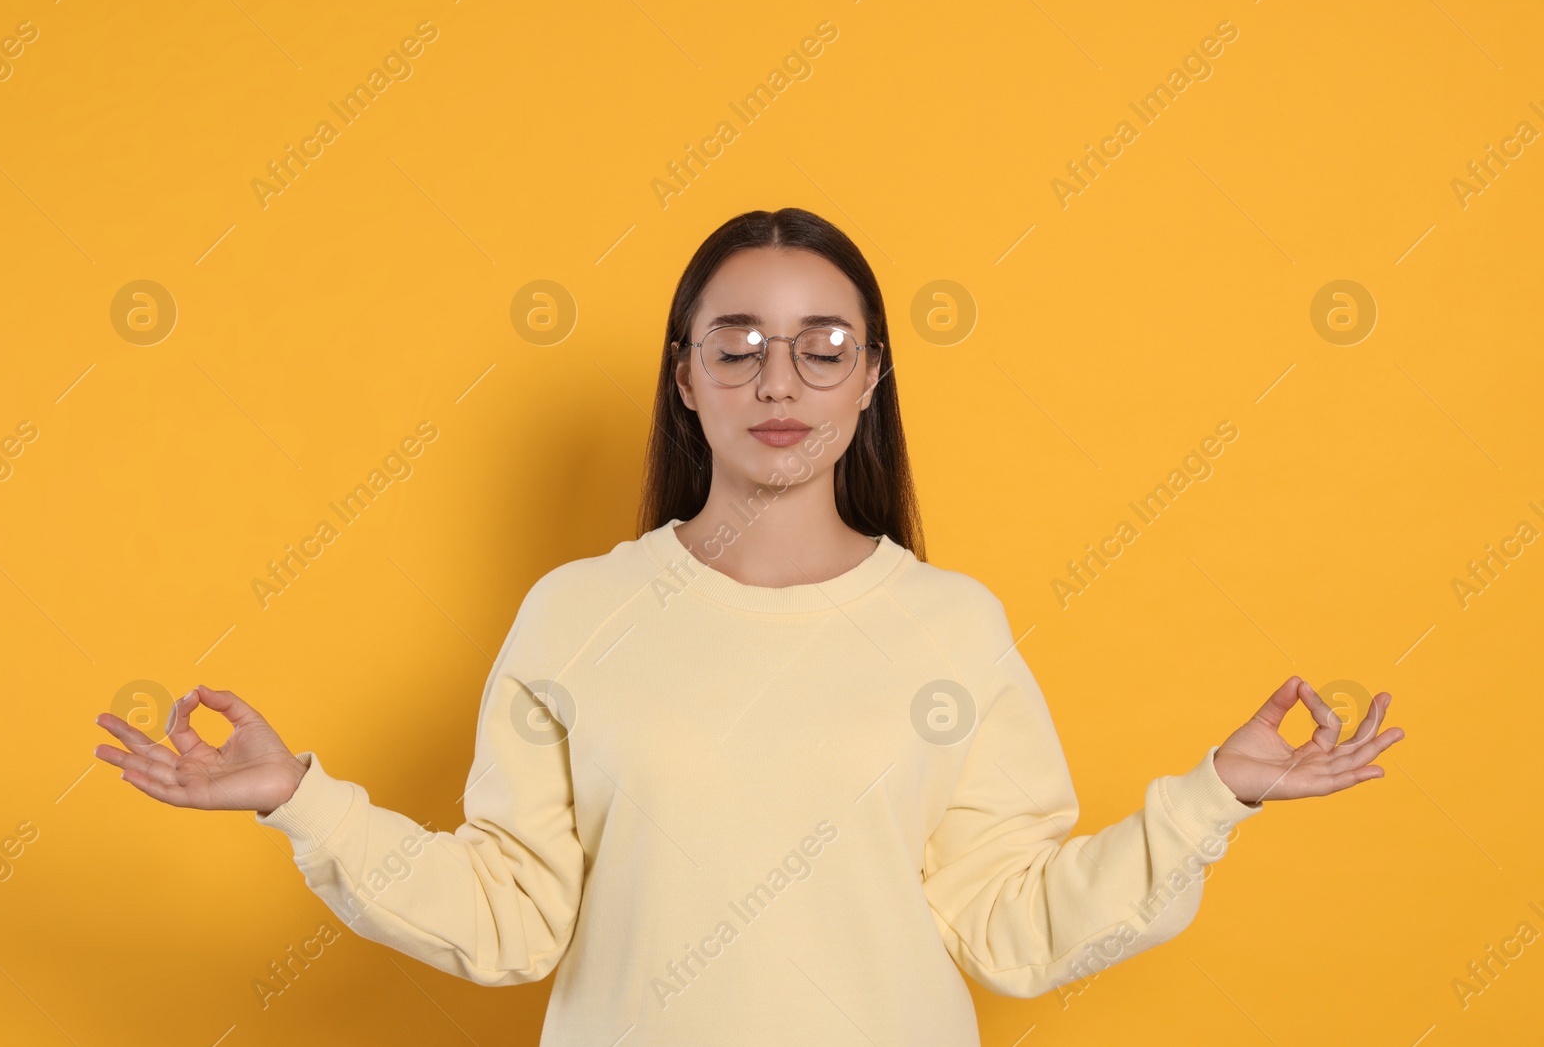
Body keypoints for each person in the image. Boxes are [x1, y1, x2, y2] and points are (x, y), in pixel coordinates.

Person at [94, 207, 1404, 1045]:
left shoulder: (949, 626)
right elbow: (508, 919)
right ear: (686, 377)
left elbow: (1013, 925)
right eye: (738, 346)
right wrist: (299, 801)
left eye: (823, 345)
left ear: (873, 377)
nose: (781, 379)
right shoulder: (581, 614)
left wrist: (1215, 797)